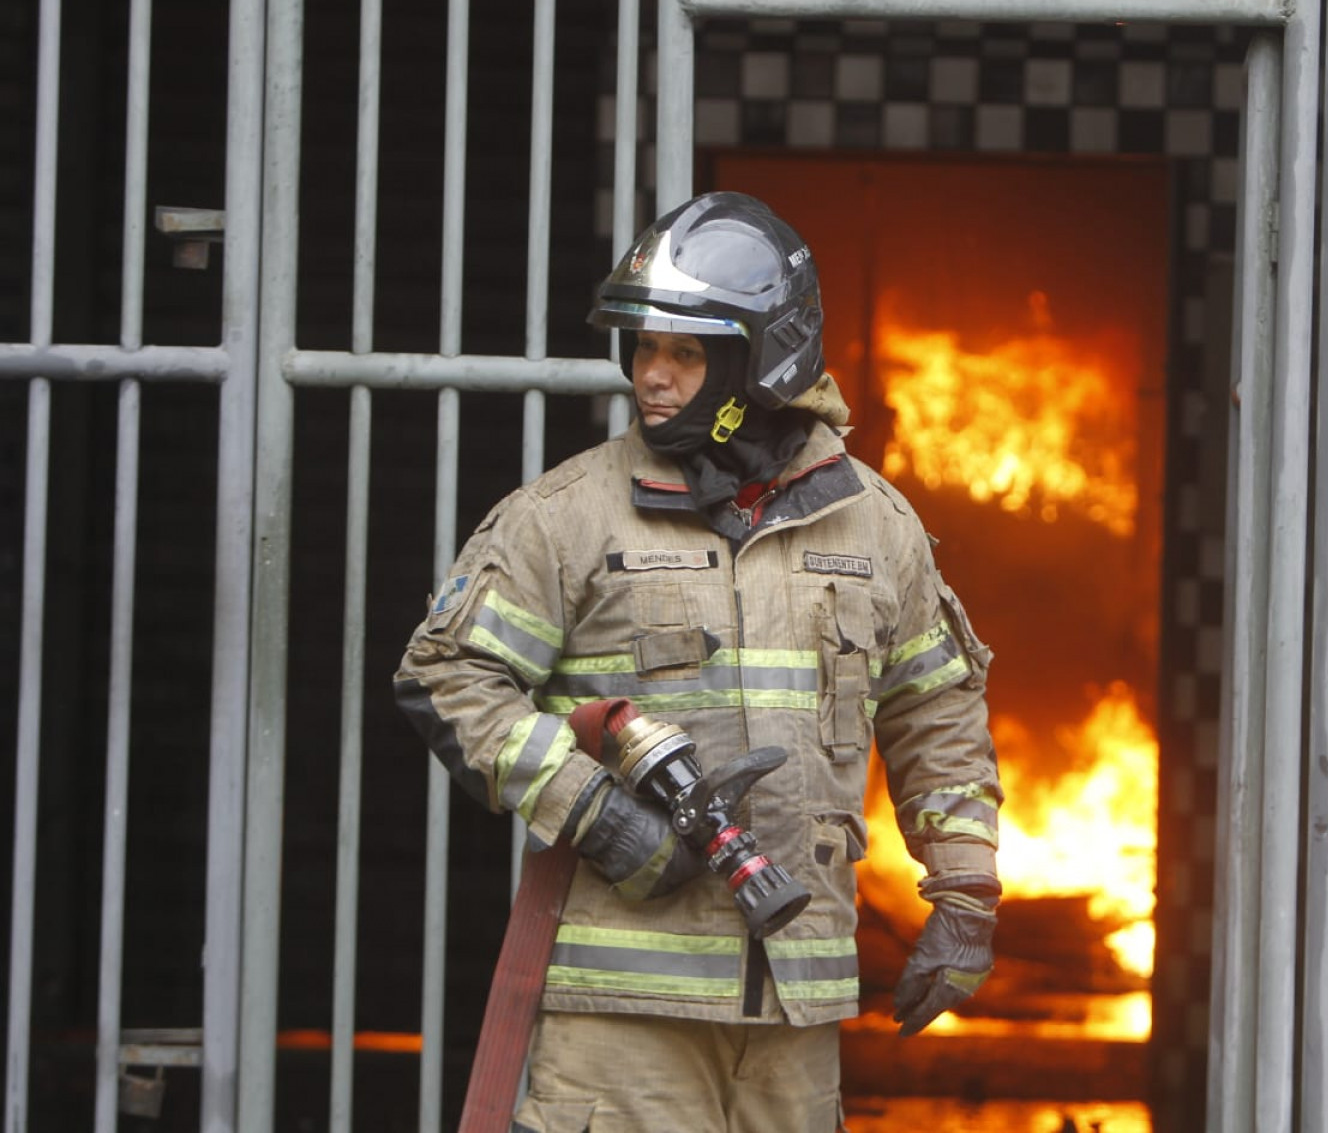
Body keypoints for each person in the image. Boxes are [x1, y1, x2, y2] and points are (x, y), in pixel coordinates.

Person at [394, 191, 1003, 1132]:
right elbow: (446, 676)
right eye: (643, 349)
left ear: (764, 361)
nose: (653, 378)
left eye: (684, 352)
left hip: (795, 1016)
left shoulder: (876, 526)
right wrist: (596, 814)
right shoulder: (568, 515)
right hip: (622, 1025)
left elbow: (938, 706)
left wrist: (964, 893)